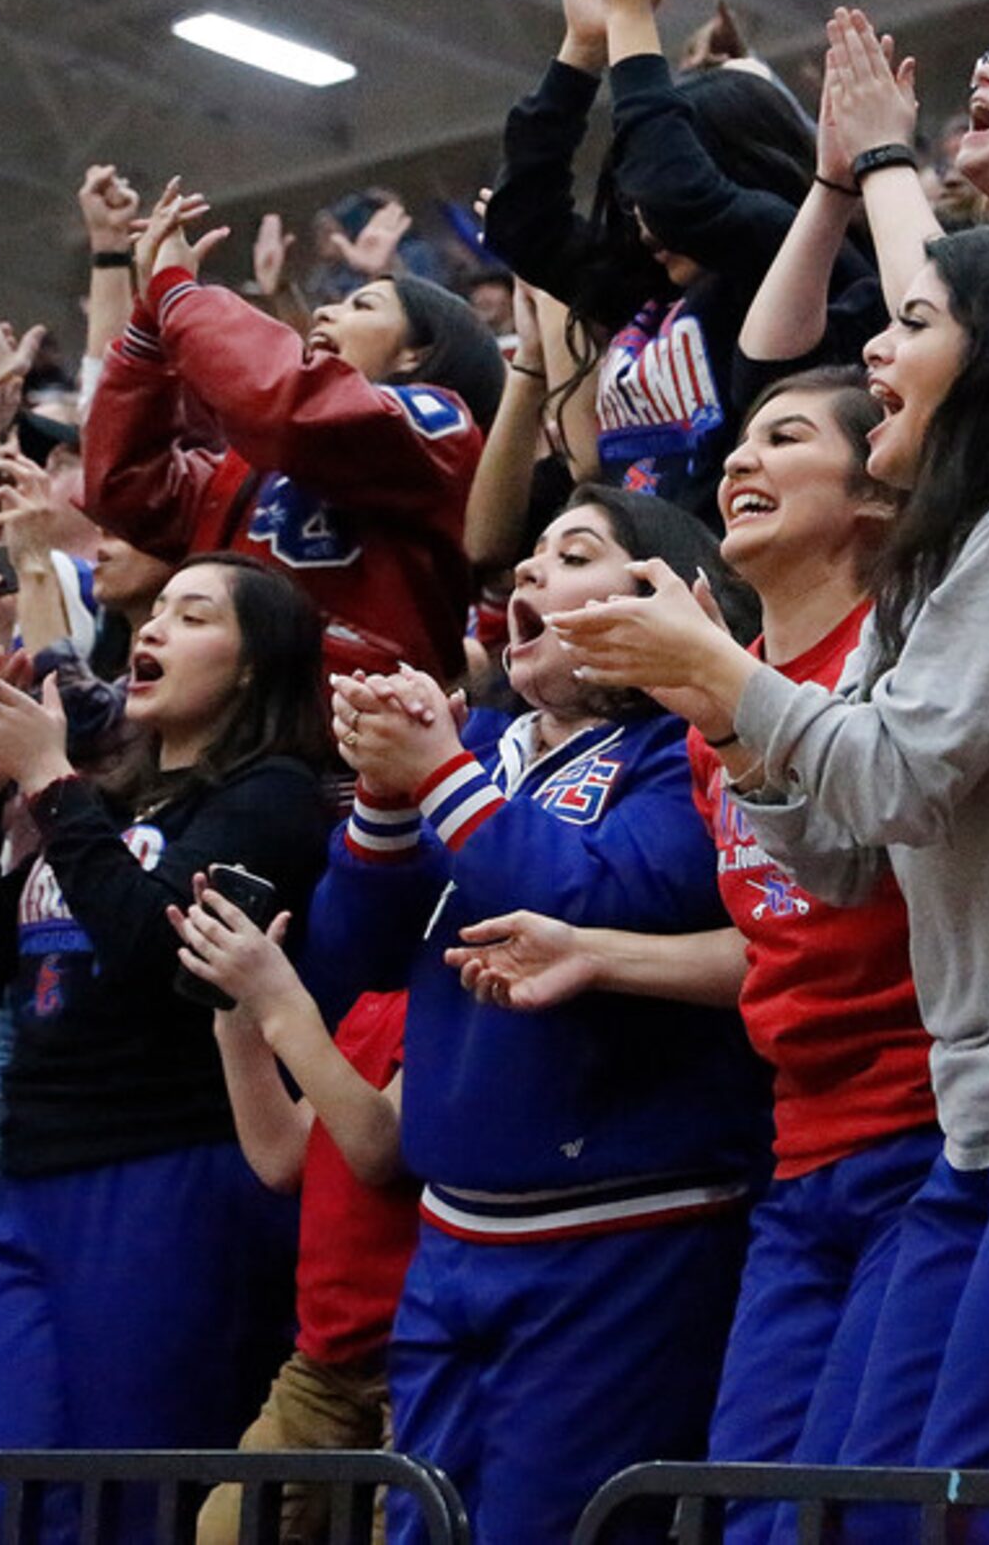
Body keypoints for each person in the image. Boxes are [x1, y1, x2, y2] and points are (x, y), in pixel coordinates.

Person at [554, 227, 989, 1539]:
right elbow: (840, 855)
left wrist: (727, 680)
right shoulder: (931, 576)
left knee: (957, 1507)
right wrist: (726, 723)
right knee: (859, 1506)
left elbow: (897, 774)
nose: (877, 349)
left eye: (915, 323)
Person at [442, 372, 936, 1537]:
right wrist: (596, 954)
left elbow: (879, 883)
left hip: (929, 1136)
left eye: (788, 436)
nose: (739, 461)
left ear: (876, 493)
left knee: (857, 1514)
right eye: (741, 440)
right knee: (750, 1515)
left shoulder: (906, 659)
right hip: (801, 1148)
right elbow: (778, 937)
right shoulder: (719, 708)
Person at [307, 488, 772, 1545]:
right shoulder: (484, 749)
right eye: (529, 555)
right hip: (452, 1234)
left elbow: (598, 899)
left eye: (573, 554)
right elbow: (353, 963)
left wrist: (435, 779)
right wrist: (384, 806)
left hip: (623, 1231)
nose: (526, 572)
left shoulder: (682, 753)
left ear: (658, 594)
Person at [0, 554, 333, 1540]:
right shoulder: (114, 802)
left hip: (166, 1172)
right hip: (30, 1174)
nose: (151, 630)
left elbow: (165, 954)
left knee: (127, 1502)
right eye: (153, 612)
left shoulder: (270, 798)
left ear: (251, 668)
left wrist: (50, 783)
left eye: (192, 617)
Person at [479, 0, 883, 523]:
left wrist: (633, 20)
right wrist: (583, 46)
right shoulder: (651, 295)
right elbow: (520, 224)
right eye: (631, 202)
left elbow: (678, 197)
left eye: (649, 194)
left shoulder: (797, 254)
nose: (643, 223)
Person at [83, 188, 498, 687]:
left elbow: (288, 405)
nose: (324, 314)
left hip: (345, 744)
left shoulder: (439, 422)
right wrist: (148, 328)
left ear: (416, 354)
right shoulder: (249, 464)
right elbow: (124, 490)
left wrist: (177, 294)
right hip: (224, 734)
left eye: (361, 306)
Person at [176, 885, 419, 1545]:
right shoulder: (369, 1010)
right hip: (324, 1361)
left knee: (394, 1533)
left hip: (414, 1355)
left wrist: (282, 1003)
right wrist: (238, 1017)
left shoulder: (447, 1005)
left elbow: (378, 1146)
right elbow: (284, 1155)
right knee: (226, 1528)